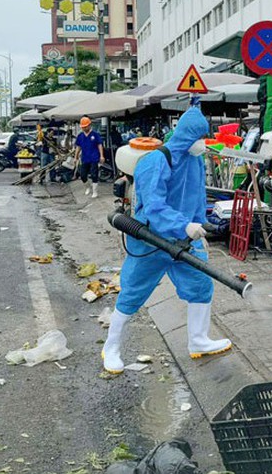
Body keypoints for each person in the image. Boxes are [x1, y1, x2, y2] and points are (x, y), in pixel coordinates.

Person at [102, 106, 231, 374]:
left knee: (200, 285)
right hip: (151, 241)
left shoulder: (194, 160)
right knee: (133, 293)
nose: (203, 143)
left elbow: (196, 196)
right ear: (185, 136)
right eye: (199, 137)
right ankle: (111, 347)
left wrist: (198, 228)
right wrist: (184, 225)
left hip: (184, 240)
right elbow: (153, 207)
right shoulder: (155, 161)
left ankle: (198, 340)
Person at [74, 116, 105, 197]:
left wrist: (101, 156)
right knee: (82, 175)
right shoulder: (80, 136)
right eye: (82, 127)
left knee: (94, 174)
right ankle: (88, 187)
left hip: (94, 157)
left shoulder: (95, 134)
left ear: (89, 125)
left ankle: (95, 191)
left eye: (85, 127)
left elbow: (99, 145)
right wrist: (76, 157)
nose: (84, 128)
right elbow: (78, 147)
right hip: (84, 158)